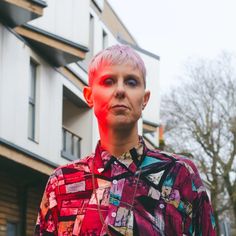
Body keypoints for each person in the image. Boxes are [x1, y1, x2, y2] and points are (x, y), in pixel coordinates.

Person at [35, 45, 216, 236]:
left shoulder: (180, 174)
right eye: (108, 81)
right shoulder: (61, 183)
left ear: (145, 99)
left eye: (131, 82)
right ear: (89, 96)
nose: (120, 90)